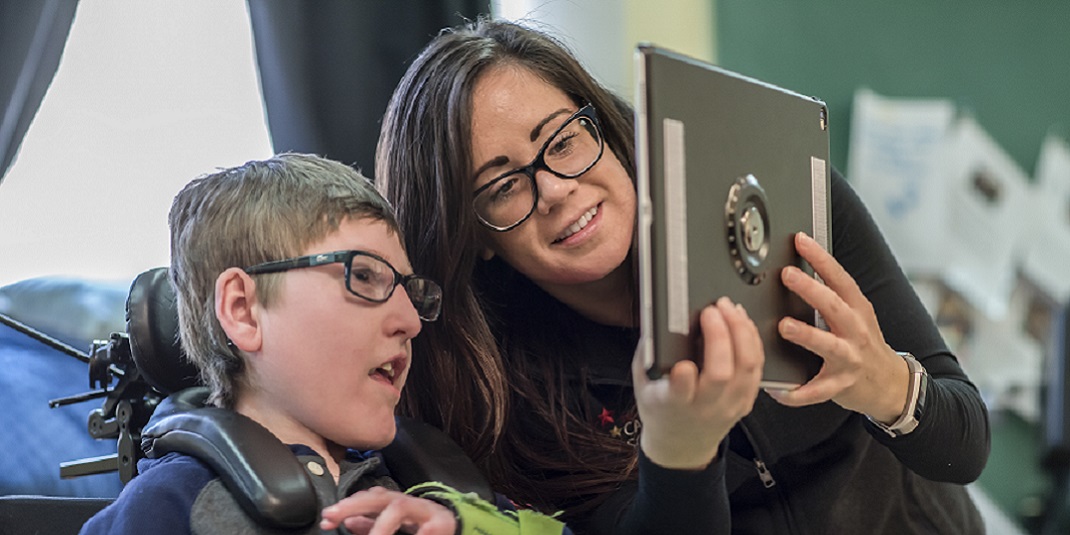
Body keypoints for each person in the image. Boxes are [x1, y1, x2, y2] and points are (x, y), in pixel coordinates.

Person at [374, 19, 991, 534]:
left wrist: (883, 383)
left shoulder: (790, 209)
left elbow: (965, 443)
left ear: (603, 129)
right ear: (473, 236)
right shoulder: (504, 393)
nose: (559, 190)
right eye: (504, 186)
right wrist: (679, 451)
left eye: (561, 140)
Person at [80, 153, 570, 535]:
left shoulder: (436, 490)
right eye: (363, 276)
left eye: (409, 291)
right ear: (243, 310)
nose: (410, 321)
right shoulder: (170, 505)